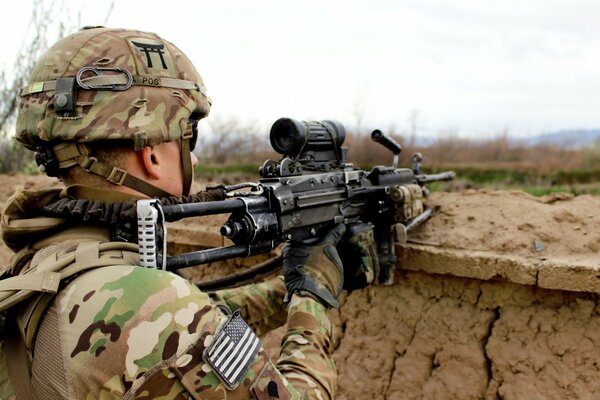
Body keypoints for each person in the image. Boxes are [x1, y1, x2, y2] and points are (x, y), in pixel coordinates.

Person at [0, 27, 371, 399]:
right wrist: (314, 300)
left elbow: (192, 322)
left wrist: (289, 289)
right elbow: (177, 319)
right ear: (152, 153)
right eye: (189, 137)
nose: (193, 157)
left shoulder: (48, 262)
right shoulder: (151, 299)